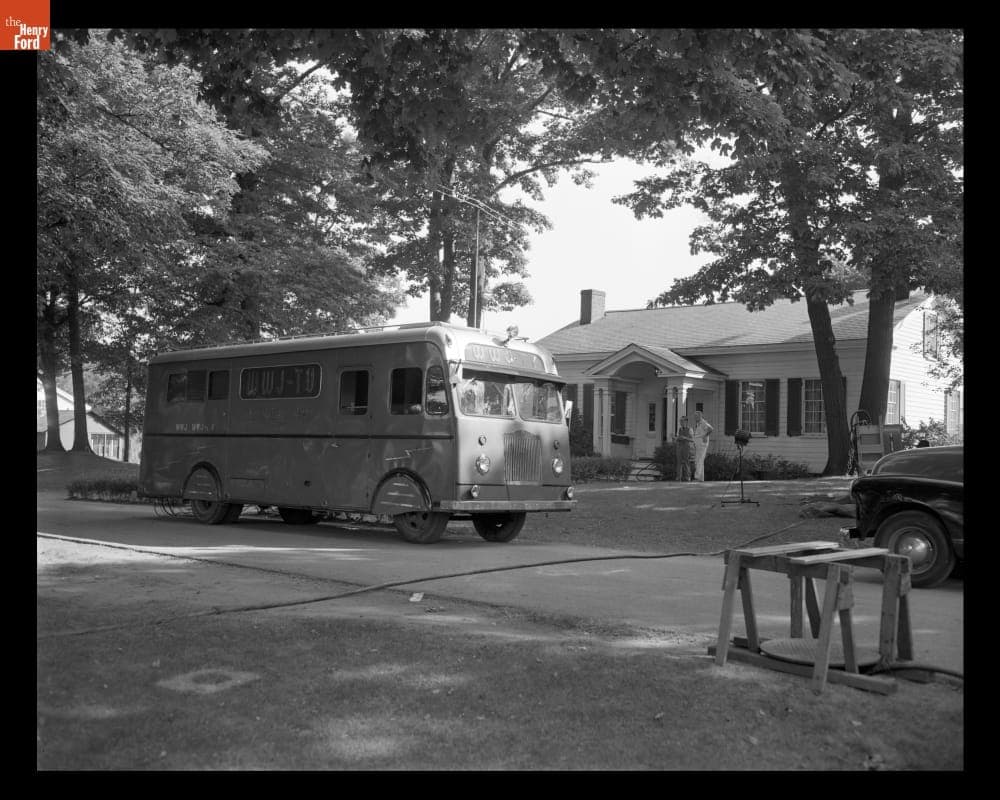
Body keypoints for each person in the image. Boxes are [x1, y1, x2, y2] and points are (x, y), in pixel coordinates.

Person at [692, 410, 713, 482]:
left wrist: (705, 436)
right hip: (698, 444)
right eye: (694, 416)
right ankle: (701, 478)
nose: (695, 417)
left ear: (700, 416)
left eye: (696, 416)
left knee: (699, 460)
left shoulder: (703, 422)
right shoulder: (698, 423)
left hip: (702, 444)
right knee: (700, 460)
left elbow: (711, 429)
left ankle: (697, 477)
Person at [675, 416, 694, 481]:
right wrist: (675, 438)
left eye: (682, 421)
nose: (681, 422)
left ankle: (688, 477)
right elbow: (677, 437)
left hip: (686, 447)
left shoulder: (690, 429)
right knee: (679, 462)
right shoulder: (679, 429)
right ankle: (678, 477)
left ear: (686, 421)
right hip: (679, 446)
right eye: (680, 421)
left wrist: (685, 438)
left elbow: (692, 439)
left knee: (686, 462)